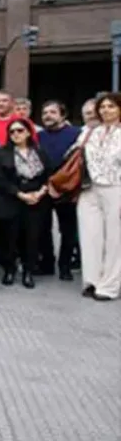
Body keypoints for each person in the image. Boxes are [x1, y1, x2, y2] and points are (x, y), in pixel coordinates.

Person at [60, 92, 121, 302]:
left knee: (115, 239)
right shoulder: (90, 132)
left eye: (111, 107)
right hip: (89, 188)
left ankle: (110, 285)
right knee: (90, 236)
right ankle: (92, 280)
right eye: (102, 107)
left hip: (116, 187)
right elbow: (71, 154)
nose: (106, 111)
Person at [0, 118, 51, 288]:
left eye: (20, 130)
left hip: (36, 200)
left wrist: (40, 193)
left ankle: (28, 271)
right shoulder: (0, 153)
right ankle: (9, 270)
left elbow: (48, 175)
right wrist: (20, 194)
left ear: (28, 132)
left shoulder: (40, 152)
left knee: (32, 238)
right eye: (12, 132)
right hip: (12, 198)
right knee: (11, 237)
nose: (16, 134)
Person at [36, 100, 81, 280]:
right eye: (45, 112)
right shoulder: (39, 136)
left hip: (66, 188)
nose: (48, 116)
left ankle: (65, 266)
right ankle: (47, 263)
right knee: (43, 227)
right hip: (45, 187)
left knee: (67, 230)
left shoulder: (76, 134)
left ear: (63, 115)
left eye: (53, 112)